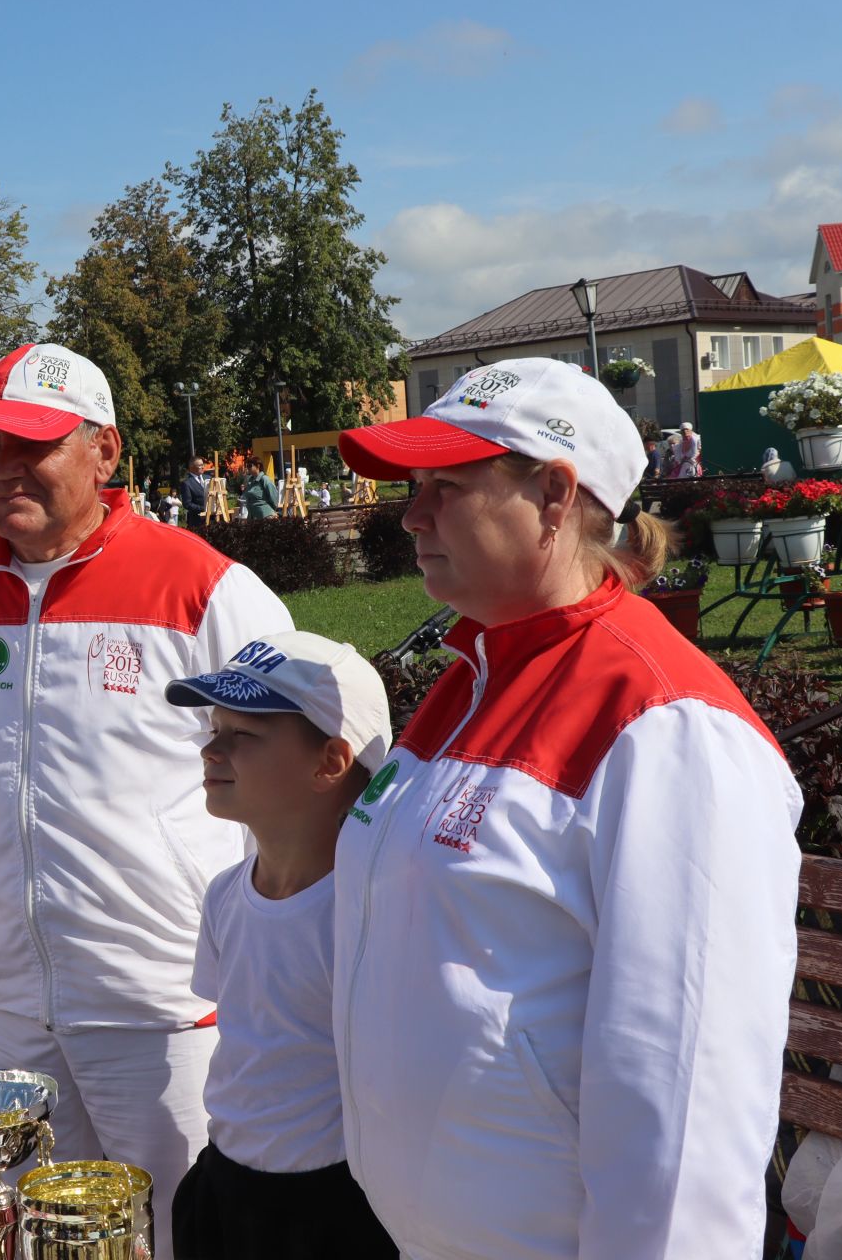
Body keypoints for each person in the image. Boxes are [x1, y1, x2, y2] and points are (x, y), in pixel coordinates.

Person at [332, 357, 803, 1258]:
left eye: (446, 485)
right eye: (414, 486)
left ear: (555, 495)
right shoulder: (474, 674)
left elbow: (686, 1099)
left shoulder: (670, 730)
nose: (411, 514)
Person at [0, 343, 292, 1258]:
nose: (0, 468)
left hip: (160, 993)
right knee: (33, 1237)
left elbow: (299, 782)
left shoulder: (205, 586)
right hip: (6, 990)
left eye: (29, 445)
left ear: (106, 451)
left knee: (182, 1234)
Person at [164, 631, 398, 1260]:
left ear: (330, 762)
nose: (211, 749)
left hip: (333, 1210)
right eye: (214, 728)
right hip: (225, 1187)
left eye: (242, 735)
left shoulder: (368, 914)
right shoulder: (225, 896)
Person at [178, 457, 210, 527]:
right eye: (200, 465)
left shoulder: (209, 478)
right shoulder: (187, 483)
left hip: (212, 519)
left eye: (203, 464)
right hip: (198, 521)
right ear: (192, 468)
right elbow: (187, 504)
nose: (203, 467)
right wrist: (203, 508)